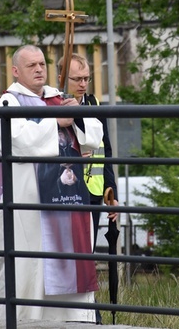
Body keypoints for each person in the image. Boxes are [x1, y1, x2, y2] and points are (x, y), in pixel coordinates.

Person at [0, 45, 104, 322]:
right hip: (30, 206)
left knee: (71, 276)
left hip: (68, 203)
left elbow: (93, 138)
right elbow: (16, 141)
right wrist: (55, 121)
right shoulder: (9, 103)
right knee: (31, 270)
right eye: (32, 66)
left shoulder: (60, 98)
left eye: (42, 63)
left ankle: (76, 323)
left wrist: (76, 113)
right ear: (16, 71)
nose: (40, 69)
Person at [58, 53, 119, 248]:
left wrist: (112, 192)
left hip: (94, 190)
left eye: (86, 78)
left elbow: (105, 149)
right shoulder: (54, 105)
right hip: (66, 189)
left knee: (88, 249)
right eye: (77, 79)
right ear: (62, 78)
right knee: (67, 248)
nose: (83, 84)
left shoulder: (94, 104)